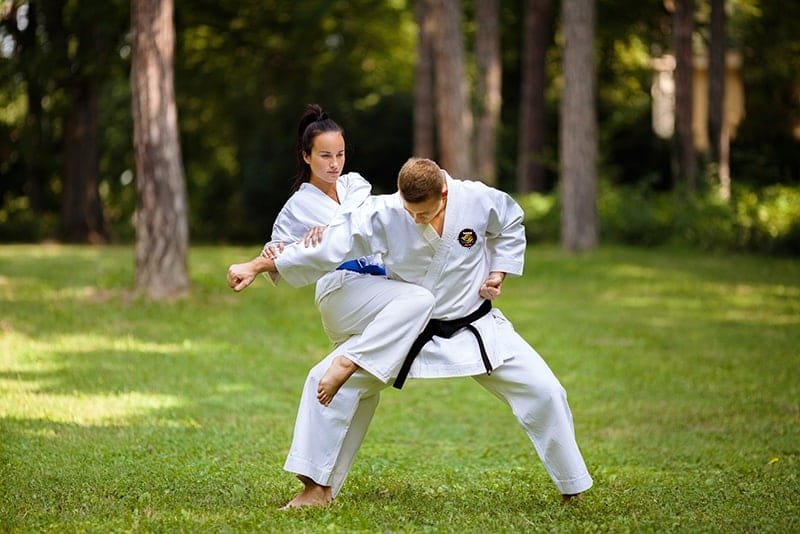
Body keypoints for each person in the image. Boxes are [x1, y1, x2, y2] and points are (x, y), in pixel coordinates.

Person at [227, 157, 594, 506]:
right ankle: (315, 489)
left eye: (425, 212)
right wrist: (258, 265)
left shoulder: (478, 199)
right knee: (322, 381)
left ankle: (572, 485)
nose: (417, 219)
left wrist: (499, 269)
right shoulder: (384, 213)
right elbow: (328, 246)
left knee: (545, 390)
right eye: (410, 211)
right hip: (408, 328)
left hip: (473, 324)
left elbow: (511, 223)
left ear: (445, 195)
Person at [228, 106, 435, 506]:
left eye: (339, 154)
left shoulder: (357, 186)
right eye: (324, 156)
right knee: (419, 300)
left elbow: (377, 219)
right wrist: (260, 262)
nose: (334, 164)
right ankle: (349, 360)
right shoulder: (296, 209)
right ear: (306, 156)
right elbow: (278, 251)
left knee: (360, 386)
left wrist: (338, 227)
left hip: (380, 289)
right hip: (341, 290)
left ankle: (319, 488)